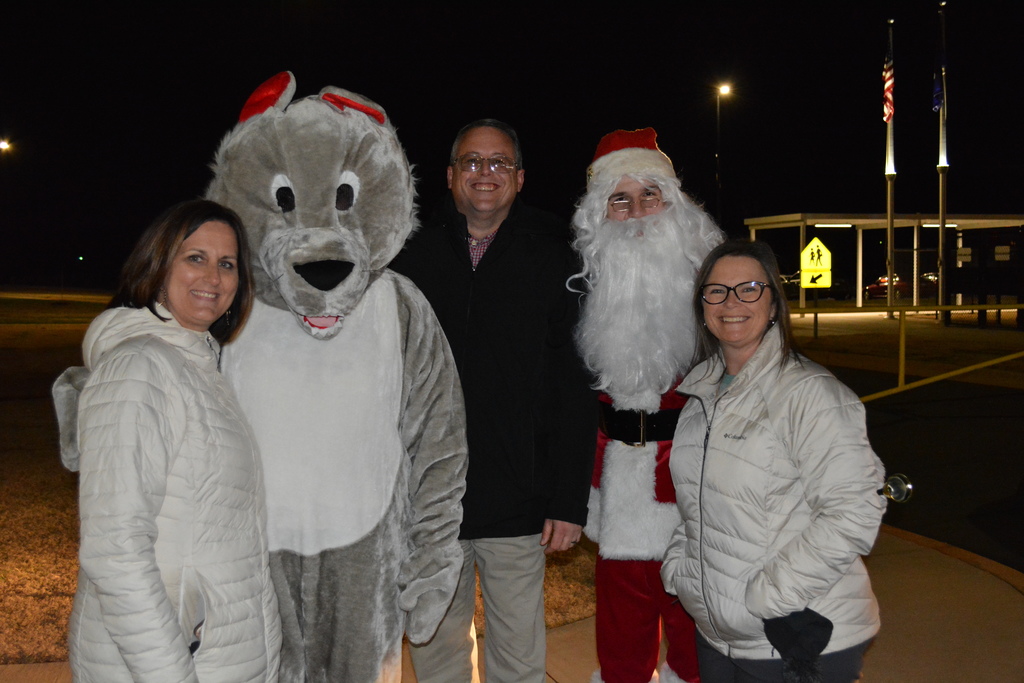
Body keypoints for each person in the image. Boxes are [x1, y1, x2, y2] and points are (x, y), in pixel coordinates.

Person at [390, 119, 596, 683]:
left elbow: (573, 385)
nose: (486, 174)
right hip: (430, 501)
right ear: (451, 175)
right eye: (473, 163)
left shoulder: (558, 256)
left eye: (499, 163)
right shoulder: (409, 255)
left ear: (520, 177)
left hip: (518, 500)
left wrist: (567, 498)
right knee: (436, 657)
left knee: (519, 662)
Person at [62, 199, 282, 682]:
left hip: (211, 656)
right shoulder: (140, 367)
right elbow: (115, 550)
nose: (214, 277)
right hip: (169, 662)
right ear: (157, 265)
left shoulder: (197, 368)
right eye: (195, 258)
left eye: (227, 264)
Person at [661, 239, 887, 683]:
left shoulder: (811, 395)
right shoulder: (700, 396)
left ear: (774, 302)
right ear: (701, 304)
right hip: (717, 635)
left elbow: (855, 511)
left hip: (795, 633)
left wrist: (767, 598)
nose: (731, 303)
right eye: (716, 291)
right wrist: (682, 572)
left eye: (748, 288)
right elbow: (695, 503)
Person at [570, 127, 723, 683]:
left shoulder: (715, 287)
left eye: (649, 197)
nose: (636, 214)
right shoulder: (579, 290)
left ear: (673, 204)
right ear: (599, 214)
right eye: (620, 200)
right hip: (614, 489)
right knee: (621, 636)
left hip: (692, 490)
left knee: (695, 636)